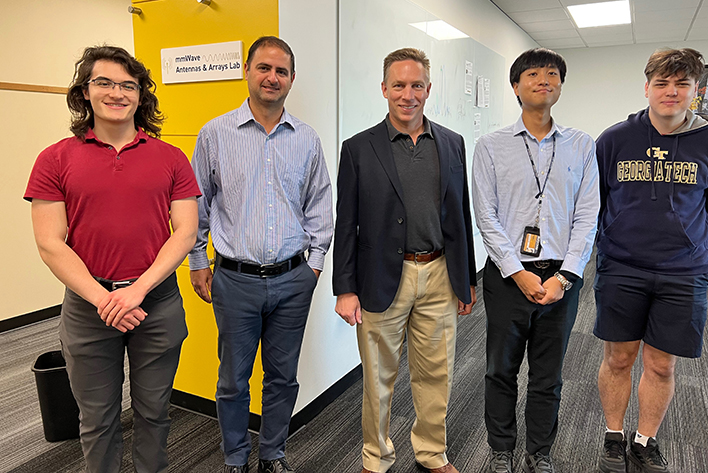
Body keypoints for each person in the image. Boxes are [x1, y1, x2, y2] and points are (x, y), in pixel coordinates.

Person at [24, 45, 200, 473]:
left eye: (128, 85)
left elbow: (187, 233)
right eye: (104, 82)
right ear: (85, 92)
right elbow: (51, 243)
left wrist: (136, 292)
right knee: (97, 419)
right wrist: (104, 299)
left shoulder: (171, 157)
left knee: (155, 413)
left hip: (155, 305)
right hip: (88, 308)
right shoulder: (55, 158)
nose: (116, 92)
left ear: (141, 95)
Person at [188, 36, 333, 473]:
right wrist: (197, 261)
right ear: (247, 71)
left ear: (291, 79)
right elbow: (197, 205)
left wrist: (314, 265)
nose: (273, 77)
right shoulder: (215, 134)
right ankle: (235, 457)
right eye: (264, 68)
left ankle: (272, 454)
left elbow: (320, 206)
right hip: (234, 280)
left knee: (282, 378)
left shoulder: (306, 139)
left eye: (282, 71)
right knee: (233, 379)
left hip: (293, 280)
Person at [333, 47, 477, 473]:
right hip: (381, 278)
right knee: (378, 380)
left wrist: (466, 278)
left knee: (436, 374)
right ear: (384, 89)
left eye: (417, 85)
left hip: (438, 273)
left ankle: (432, 452)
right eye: (399, 85)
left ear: (428, 89)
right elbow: (347, 223)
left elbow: (460, 214)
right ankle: (375, 458)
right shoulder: (358, 148)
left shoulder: (452, 143)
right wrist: (345, 287)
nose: (408, 94)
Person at [471, 48, 599, 473]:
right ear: (515, 87)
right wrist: (517, 272)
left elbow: (587, 215)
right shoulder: (490, 146)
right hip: (508, 279)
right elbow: (485, 215)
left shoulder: (582, 145)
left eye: (551, 74)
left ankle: (539, 452)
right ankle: (502, 448)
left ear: (560, 86)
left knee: (548, 375)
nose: (543, 80)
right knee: (499, 370)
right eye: (532, 74)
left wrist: (566, 276)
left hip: (561, 276)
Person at [594, 48, 708, 473]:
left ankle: (645, 441)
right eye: (662, 83)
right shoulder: (614, 140)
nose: (671, 92)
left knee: (661, 364)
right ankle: (613, 437)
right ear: (647, 88)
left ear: (696, 91)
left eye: (682, 84)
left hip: (685, 272)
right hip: (623, 267)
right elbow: (596, 203)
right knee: (618, 358)